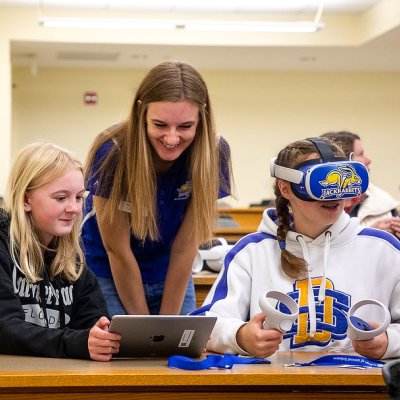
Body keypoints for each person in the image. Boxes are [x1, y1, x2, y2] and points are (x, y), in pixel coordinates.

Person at [192, 137, 400, 360]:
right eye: (321, 183)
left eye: (340, 182)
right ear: (286, 189)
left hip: (359, 387)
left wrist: (389, 342)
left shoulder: (385, 250)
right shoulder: (252, 252)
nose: (333, 194)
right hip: (273, 386)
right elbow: (206, 326)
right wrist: (241, 336)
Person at [82, 61, 232, 317]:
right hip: (109, 269)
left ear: (201, 117)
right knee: (128, 351)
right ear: (141, 112)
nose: (172, 138)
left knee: (174, 350)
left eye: (185, 126)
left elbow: (185, 247)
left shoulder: (213, 152)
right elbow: (117, 250)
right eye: (160, 125)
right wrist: (148, 330)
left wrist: (165, 328)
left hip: (170, 269)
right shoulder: (111, 151)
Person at [0, 143, 120, 361]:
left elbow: (92, 322)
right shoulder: (3, 246)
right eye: (61, 198)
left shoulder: (72, 262)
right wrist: (78, 343)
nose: (74, 208)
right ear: (27, 200)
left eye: (79, 197)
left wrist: (102, 336)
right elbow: (4, 329)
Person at [321, 131, 400, 238]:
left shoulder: (386, 204)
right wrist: (367, 236)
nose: (368, 160)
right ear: (344, 161)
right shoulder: (313, 208)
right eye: (361, 154)